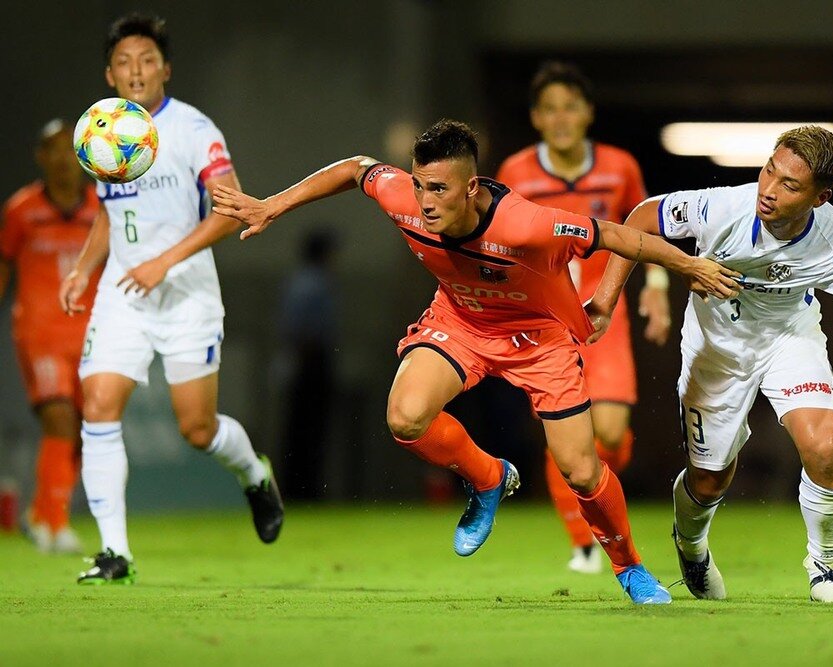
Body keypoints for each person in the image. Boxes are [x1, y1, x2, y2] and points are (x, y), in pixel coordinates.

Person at [212, 119, 741, 604]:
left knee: (581, 472)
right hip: (461, 322)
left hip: (539, 339)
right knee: (405, 417)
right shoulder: (402, 197)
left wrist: (686, 266)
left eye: (439, 189)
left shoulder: (525, 224)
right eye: (420, 185)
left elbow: (619, 235)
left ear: (470, 187)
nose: (425, 202)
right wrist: (272, 205)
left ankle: (630, 568)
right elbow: (355, 169)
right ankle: (488, 477)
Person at [588, 126, 833, 603]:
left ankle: (825, 569)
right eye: (769, 171)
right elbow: (642, 217)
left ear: (820, 198)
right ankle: (691, 546)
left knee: (823, 445)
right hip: (717, 347)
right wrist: (606, 301)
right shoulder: (723, 207)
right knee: (710, 478)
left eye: (789, 185)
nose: (769, 190)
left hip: (789, 339)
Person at [58, 12, 284, 585]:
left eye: (147, 60)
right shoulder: (102, 129)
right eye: (125, 62)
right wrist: (83, 269)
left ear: (166, 70)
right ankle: (114, 554)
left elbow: (230, 209)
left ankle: (254, 474)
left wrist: (164, 261)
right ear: (110, 75)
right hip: (124, 293)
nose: (136, 71)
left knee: (197, 430)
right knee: (98, 404)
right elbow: (111, 214)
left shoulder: (193, 129)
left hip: (185, 293)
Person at [496, 61, 670, 574]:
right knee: (564, 430)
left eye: (570, 107)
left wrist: (656, 287)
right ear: (536, 118)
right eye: (549, 109)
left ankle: (598, 498)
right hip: (544, 319)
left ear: (588, 112)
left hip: (602, 315)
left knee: (610, 434)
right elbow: (497, 240)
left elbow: (645, 226)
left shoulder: (619, 167)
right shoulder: (515, 173)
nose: (561, 118)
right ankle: (584, 542)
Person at [0, 120, 100, 554]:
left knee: (85, 428)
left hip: (91, 333)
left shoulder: (102, 209)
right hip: (39, 333)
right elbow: (3, 262)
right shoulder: (22, 210)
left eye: (69, 149)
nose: (63, 159)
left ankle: (42, 512)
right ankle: (56, 525)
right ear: (40, 157)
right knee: (58, 417)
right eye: (53, 150)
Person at [278, 230, 340, 499]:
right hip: (309, 361)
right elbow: (300, 329)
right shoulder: (313, 283)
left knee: (302, 428)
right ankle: (303, 489)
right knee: (308, 428)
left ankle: (300, 487)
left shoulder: (301, 281)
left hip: (305, 359)